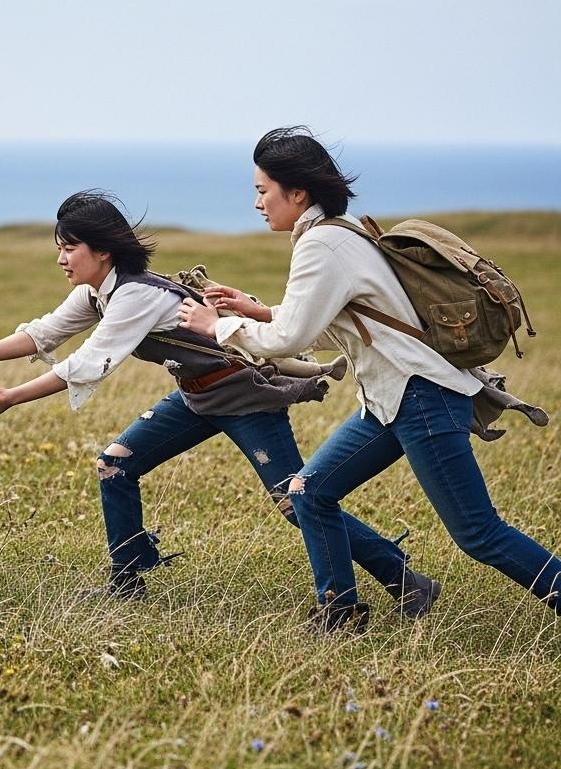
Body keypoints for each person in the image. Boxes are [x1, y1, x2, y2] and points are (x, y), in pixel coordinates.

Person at [0, 190, 440, 609]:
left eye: (70, 247)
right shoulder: (97, 292)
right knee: (115, 466)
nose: (62, 259)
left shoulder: (134, 294)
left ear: (102, 251)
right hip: (196, 398)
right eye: (58, 248)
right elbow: (48, 332)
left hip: (243, 396)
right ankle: (127, 582)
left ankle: (406, 583)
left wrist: (11, 398)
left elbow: (86, 364)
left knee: (294, 501)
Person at [178, 127, 561, 631]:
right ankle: (338, 613)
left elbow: (290, 340)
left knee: (478, 533)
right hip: (393, 399)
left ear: (297, 193)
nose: (256, 203)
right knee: (308, 493)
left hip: (420, 397)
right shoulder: (342, 231)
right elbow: (334, 328)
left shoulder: (322, 245)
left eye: (261, 190)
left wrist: (218, 325)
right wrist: (258, 311)